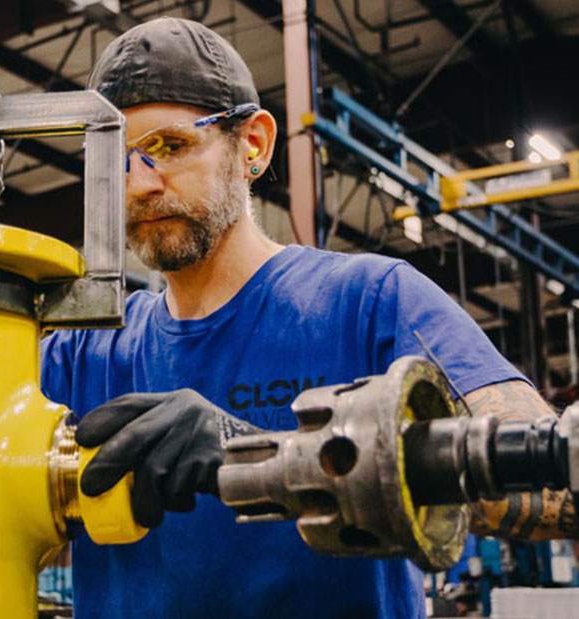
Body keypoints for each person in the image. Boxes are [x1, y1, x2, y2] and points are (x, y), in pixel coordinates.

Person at [39, 16, 575, 619]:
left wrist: (261, 457)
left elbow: (556, 484)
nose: (138, 184)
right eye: (113, 157)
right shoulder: (78, 354)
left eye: (169, 145)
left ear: (253, 145)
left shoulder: (370, 303)